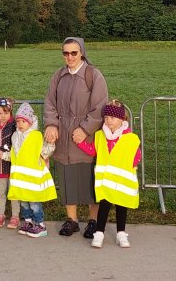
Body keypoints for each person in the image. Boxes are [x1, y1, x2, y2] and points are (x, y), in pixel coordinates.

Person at [44, 37, 109, 238]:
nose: (70, 57)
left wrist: (86, 129)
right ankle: (71, 220)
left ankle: (93, 221)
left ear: (81, 52)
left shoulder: (93, 75)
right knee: (67, 179)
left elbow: (100, 106)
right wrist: (52, 124)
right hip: (64, 137)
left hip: (84, 139)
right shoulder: (59, 76)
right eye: (65, 53)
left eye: (73, 52)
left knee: (90, 180)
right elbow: (49, 103)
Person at [75, 100, 141, 248]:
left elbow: (136, 154)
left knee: (121, 207)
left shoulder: (130, 138)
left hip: (122, 182)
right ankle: (99, 233)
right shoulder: (100, 136)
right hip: (106, 181)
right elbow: (94, 150)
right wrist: (81, 143)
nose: (108, 120)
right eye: (106, 117)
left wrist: (134, 162)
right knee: (103, 207)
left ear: (122, 119)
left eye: (113, 118)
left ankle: (121, 233)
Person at [4, 102, 56, 238]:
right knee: (23, 202)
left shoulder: (36, 136)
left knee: (34, 202)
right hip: (20, 179)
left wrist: (51, 143)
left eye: (23, 121)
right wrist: (3, 155)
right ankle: (28, 222)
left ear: (30, 122)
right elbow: (14, 154)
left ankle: (40, 225)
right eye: (18, 121)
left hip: (32, 179)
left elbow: (45, 151)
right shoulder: (15, 136)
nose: (20, 124)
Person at [0, 97, 19, 229]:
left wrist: (4, 152)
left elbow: (15, 144)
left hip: (11, 166)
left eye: (6, 113)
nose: (2, 116)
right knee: (0, 192)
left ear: (11, 113)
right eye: (0, 113)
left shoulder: (14, 126)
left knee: (13, 192)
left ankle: (15, 216)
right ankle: (1, 214)